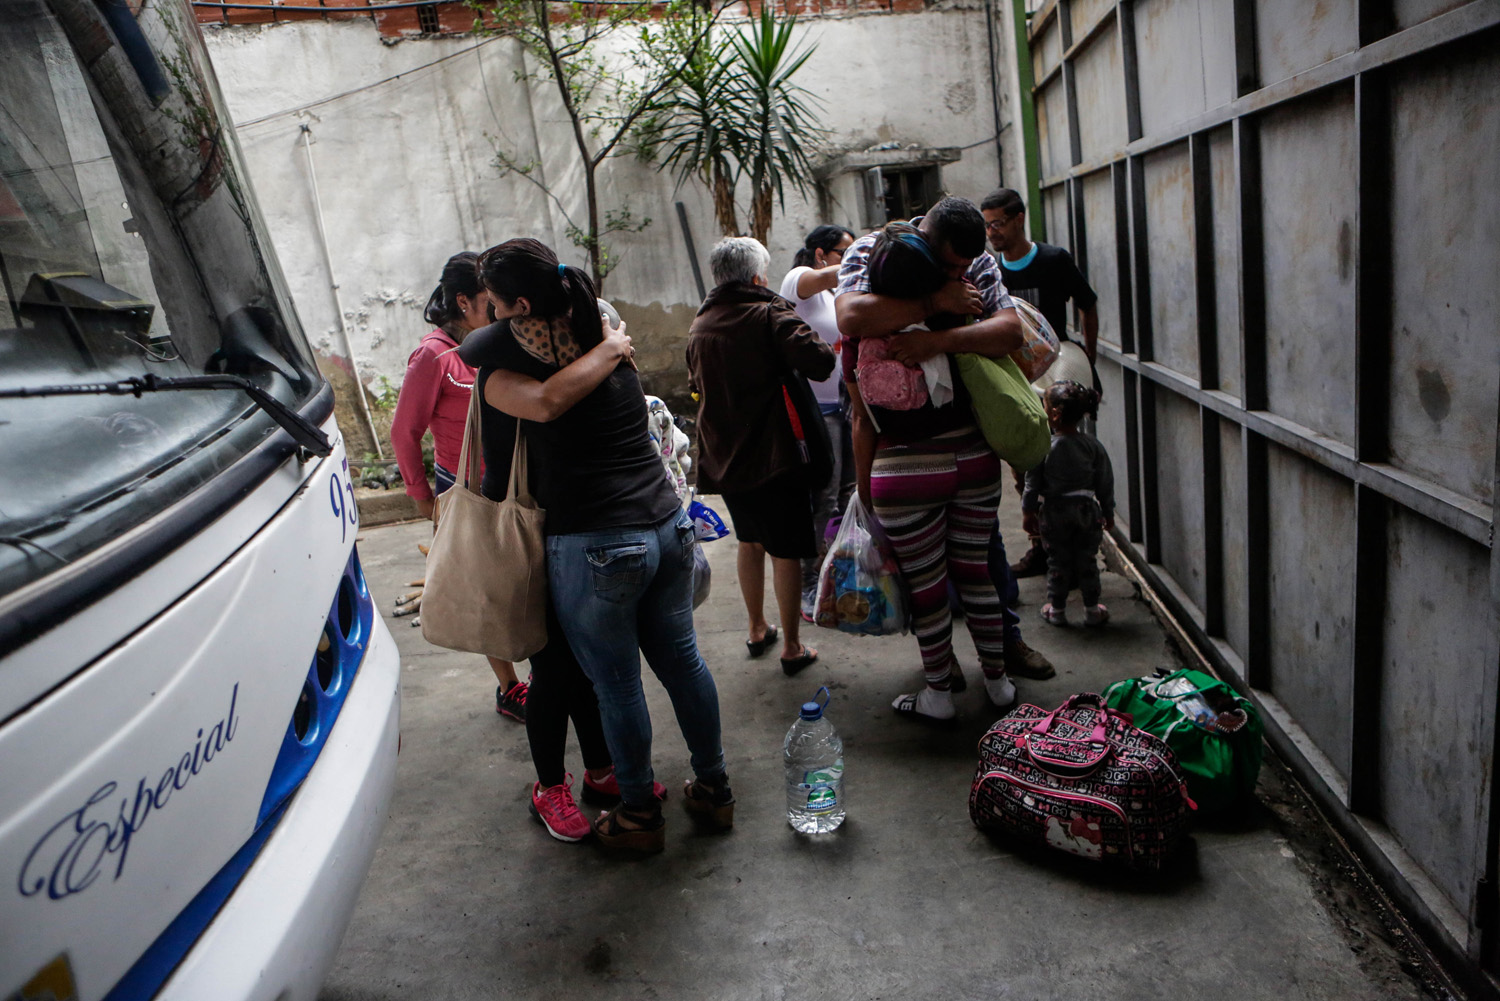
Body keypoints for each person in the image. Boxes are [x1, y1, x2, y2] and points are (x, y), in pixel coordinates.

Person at [461, 239, 732, 857]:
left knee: (618, 686)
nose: (491, 316)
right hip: (667, 525)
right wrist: (611, 344)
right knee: (685, 665)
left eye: (496, 303)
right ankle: (714, 788)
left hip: (599, 542)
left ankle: (637, 811)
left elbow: (514, 374)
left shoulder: (514, 365)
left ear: (520, 305)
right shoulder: (602, 330)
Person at [835, 200, 1036, 722]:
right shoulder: (886, 267)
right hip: (972, 458)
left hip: (903, 473)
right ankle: (998, 686)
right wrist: (940, 304)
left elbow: (861, 418)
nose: (959, 275)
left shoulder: (863, 349)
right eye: (949, 267)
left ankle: (940, 695)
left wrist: (864, 491)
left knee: (926, 586)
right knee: (976, 576)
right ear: (924, 241)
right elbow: (851, 311)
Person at [688, 237, 835, 676]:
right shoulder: (768, 313)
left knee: (750, 541)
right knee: (785, 548)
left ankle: (757, 628)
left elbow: (697, 382)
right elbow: (821, 361)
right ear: (756, 277)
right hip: (776, 455)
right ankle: (791, 646)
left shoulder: (700, 324)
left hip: (725, 457)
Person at [391, 251, 527, 722]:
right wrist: (423, 499)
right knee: (485, 589)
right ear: (463, 301)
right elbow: (403, 432)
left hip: (511, 479)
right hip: (462, 487)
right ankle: (509, 687)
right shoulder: (433, 355)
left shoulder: (493, 342)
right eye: (488, 302)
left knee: (521, 577)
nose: (496, 310)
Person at [979, 187, 1100, 580]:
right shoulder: (989, 271)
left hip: (1058, 371)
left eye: (998, 223)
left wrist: (1086, 361)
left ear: (1019, 219)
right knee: (1025, 463)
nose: (992, 232)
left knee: (1065, 461)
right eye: (987, 225)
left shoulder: (1053, 260)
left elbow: (1087, 304)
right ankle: (1041, 548)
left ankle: (1076, 549)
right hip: (1015, 379)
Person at [778, 225, 857, 617]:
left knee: (847, 494)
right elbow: (822, 278)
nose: (850, 257)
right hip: (817, 409)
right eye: (845, 251)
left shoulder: (838, 293)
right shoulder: (800, 281)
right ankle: (809, 582)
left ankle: (837, 572)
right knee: (823, 496)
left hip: (847, 404)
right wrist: (864, 257)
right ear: (822, 254)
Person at [1021, 381, 1115, 627]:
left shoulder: (1044, 447)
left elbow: (1032, 481)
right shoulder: (1093, 446)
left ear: (1054, 413)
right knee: (1087, 560)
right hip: (1086, 512)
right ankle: (1093, 610)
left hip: (1054, 514)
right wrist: (1108, 511)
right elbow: (1105, 481)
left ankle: (1057, 610)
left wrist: (1028, 511)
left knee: (1058, 562)